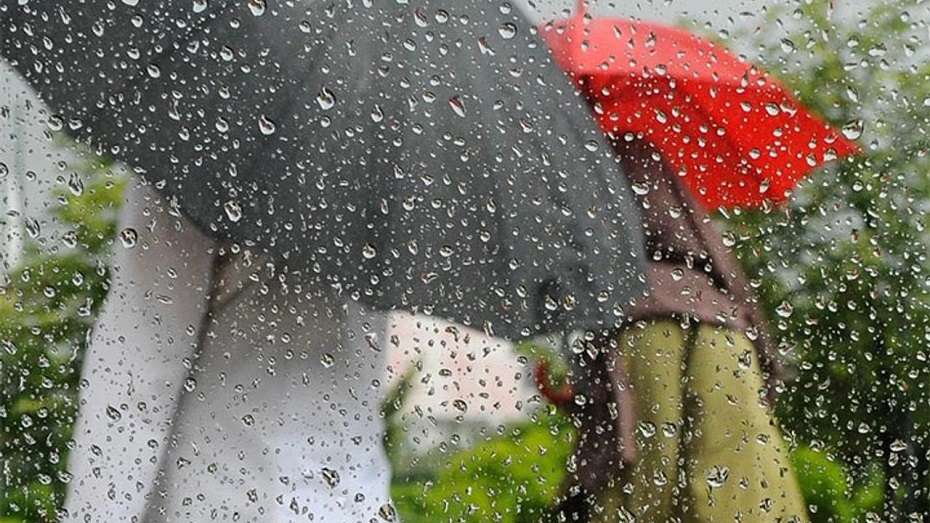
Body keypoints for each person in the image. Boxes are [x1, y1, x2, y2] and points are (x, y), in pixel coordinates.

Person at [63, 181, 396, 522]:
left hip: (215, 488)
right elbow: (367, 365)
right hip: (348, 494)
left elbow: (143, 361)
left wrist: (94, 511)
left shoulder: (193, 158)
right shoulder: (385, 175)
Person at [547, 138, 810, 522]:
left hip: (640, 331)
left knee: (642, 491)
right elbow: (729, 274)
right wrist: (765, 355)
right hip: (723, 332)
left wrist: (586, 383)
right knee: (743, 491)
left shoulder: (582, 160)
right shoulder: (653, 160)